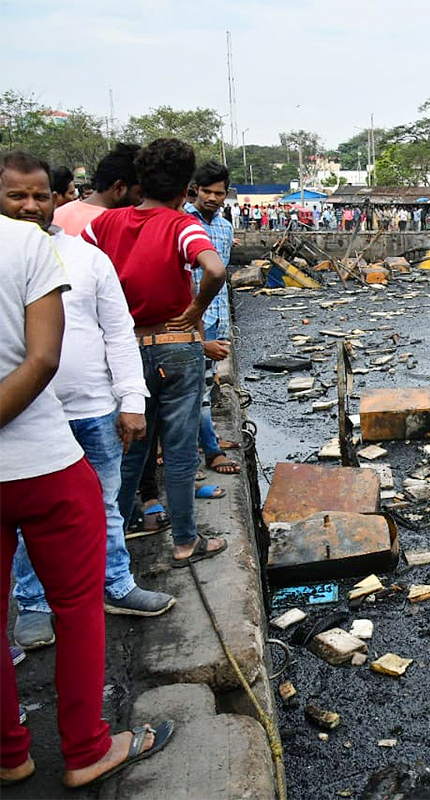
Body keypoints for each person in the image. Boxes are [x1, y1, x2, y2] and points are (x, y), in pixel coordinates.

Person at [0, 177, 174, 788]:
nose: (29, 205)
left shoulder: (84, 256)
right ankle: (82, 748)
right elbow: (42, 358)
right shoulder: (28, 252)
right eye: (15, 193)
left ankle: (11, 752)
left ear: (57, 198)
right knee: (76, 606)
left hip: (91, 411)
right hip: (40, 449)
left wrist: (131, 398)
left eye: (39, 194)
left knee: (106, 512)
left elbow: (118, 333)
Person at [82, 138, 228, 567]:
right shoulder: (182, 225)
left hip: (124, 347)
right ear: (186, 188)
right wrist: (195, 310)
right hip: (174, 345)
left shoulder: (104, 225)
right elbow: (215, 269)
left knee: (130, 448)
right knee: (180, 449)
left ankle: (119, 537)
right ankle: (185, 541)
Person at [184, 161, 240, 479]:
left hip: (216, 317)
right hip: (189, 319)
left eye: (219, 193)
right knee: (192, 391)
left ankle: (205, 444)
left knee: (203, 387)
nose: (213, 198)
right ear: (195, 189)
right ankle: (209, 450)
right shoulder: (181, 223)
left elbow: (221, 279)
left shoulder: (225, 227)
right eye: (207, 191)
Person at [53, 144, 140, 236]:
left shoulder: (57, 214)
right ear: (119, 188)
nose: (142, 202)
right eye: (140, 195)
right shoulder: (116, 226)